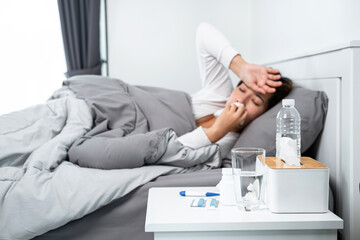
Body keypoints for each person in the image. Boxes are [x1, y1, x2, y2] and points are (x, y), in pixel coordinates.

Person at [177, 23, 292, 160]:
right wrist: (241, 67)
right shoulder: (220, 93)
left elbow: (172, 153)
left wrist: (217, 131)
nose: (241, 100)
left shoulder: (230, 142)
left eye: (255, 102)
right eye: (242, 89)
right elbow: (203, 32)